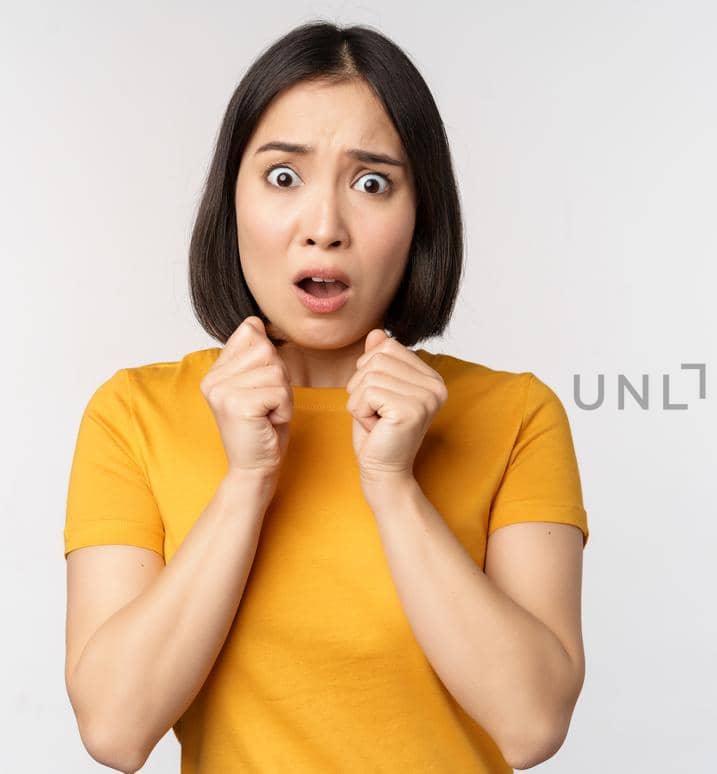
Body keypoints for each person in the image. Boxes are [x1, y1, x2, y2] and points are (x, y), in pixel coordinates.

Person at [62, 21, 588, 773]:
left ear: (421, 215)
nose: (325, 228)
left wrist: (392, 485)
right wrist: (246, 483)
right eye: (284, 176)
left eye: (372, 182)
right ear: (231, 198)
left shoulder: (515, 417)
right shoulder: (134, 414)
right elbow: (114, 731)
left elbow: (532, 724)